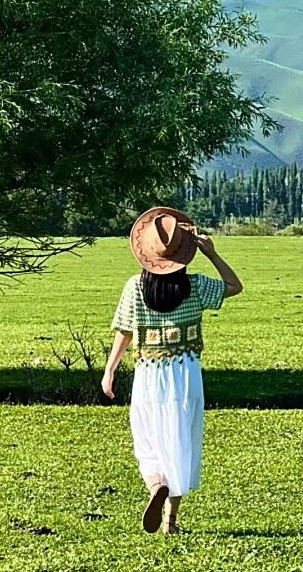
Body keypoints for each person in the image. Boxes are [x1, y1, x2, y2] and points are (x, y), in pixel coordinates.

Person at [101, 207, 243, 535]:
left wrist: (110, 370)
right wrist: (213, 254)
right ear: (184, 252)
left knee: (148, 439)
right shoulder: (194, 287)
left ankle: (155, 487)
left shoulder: (135, 287)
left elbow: (123, 331)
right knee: (181, 442)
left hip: (148, 372)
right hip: (186, 372)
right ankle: (170, 521)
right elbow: (234, 286)